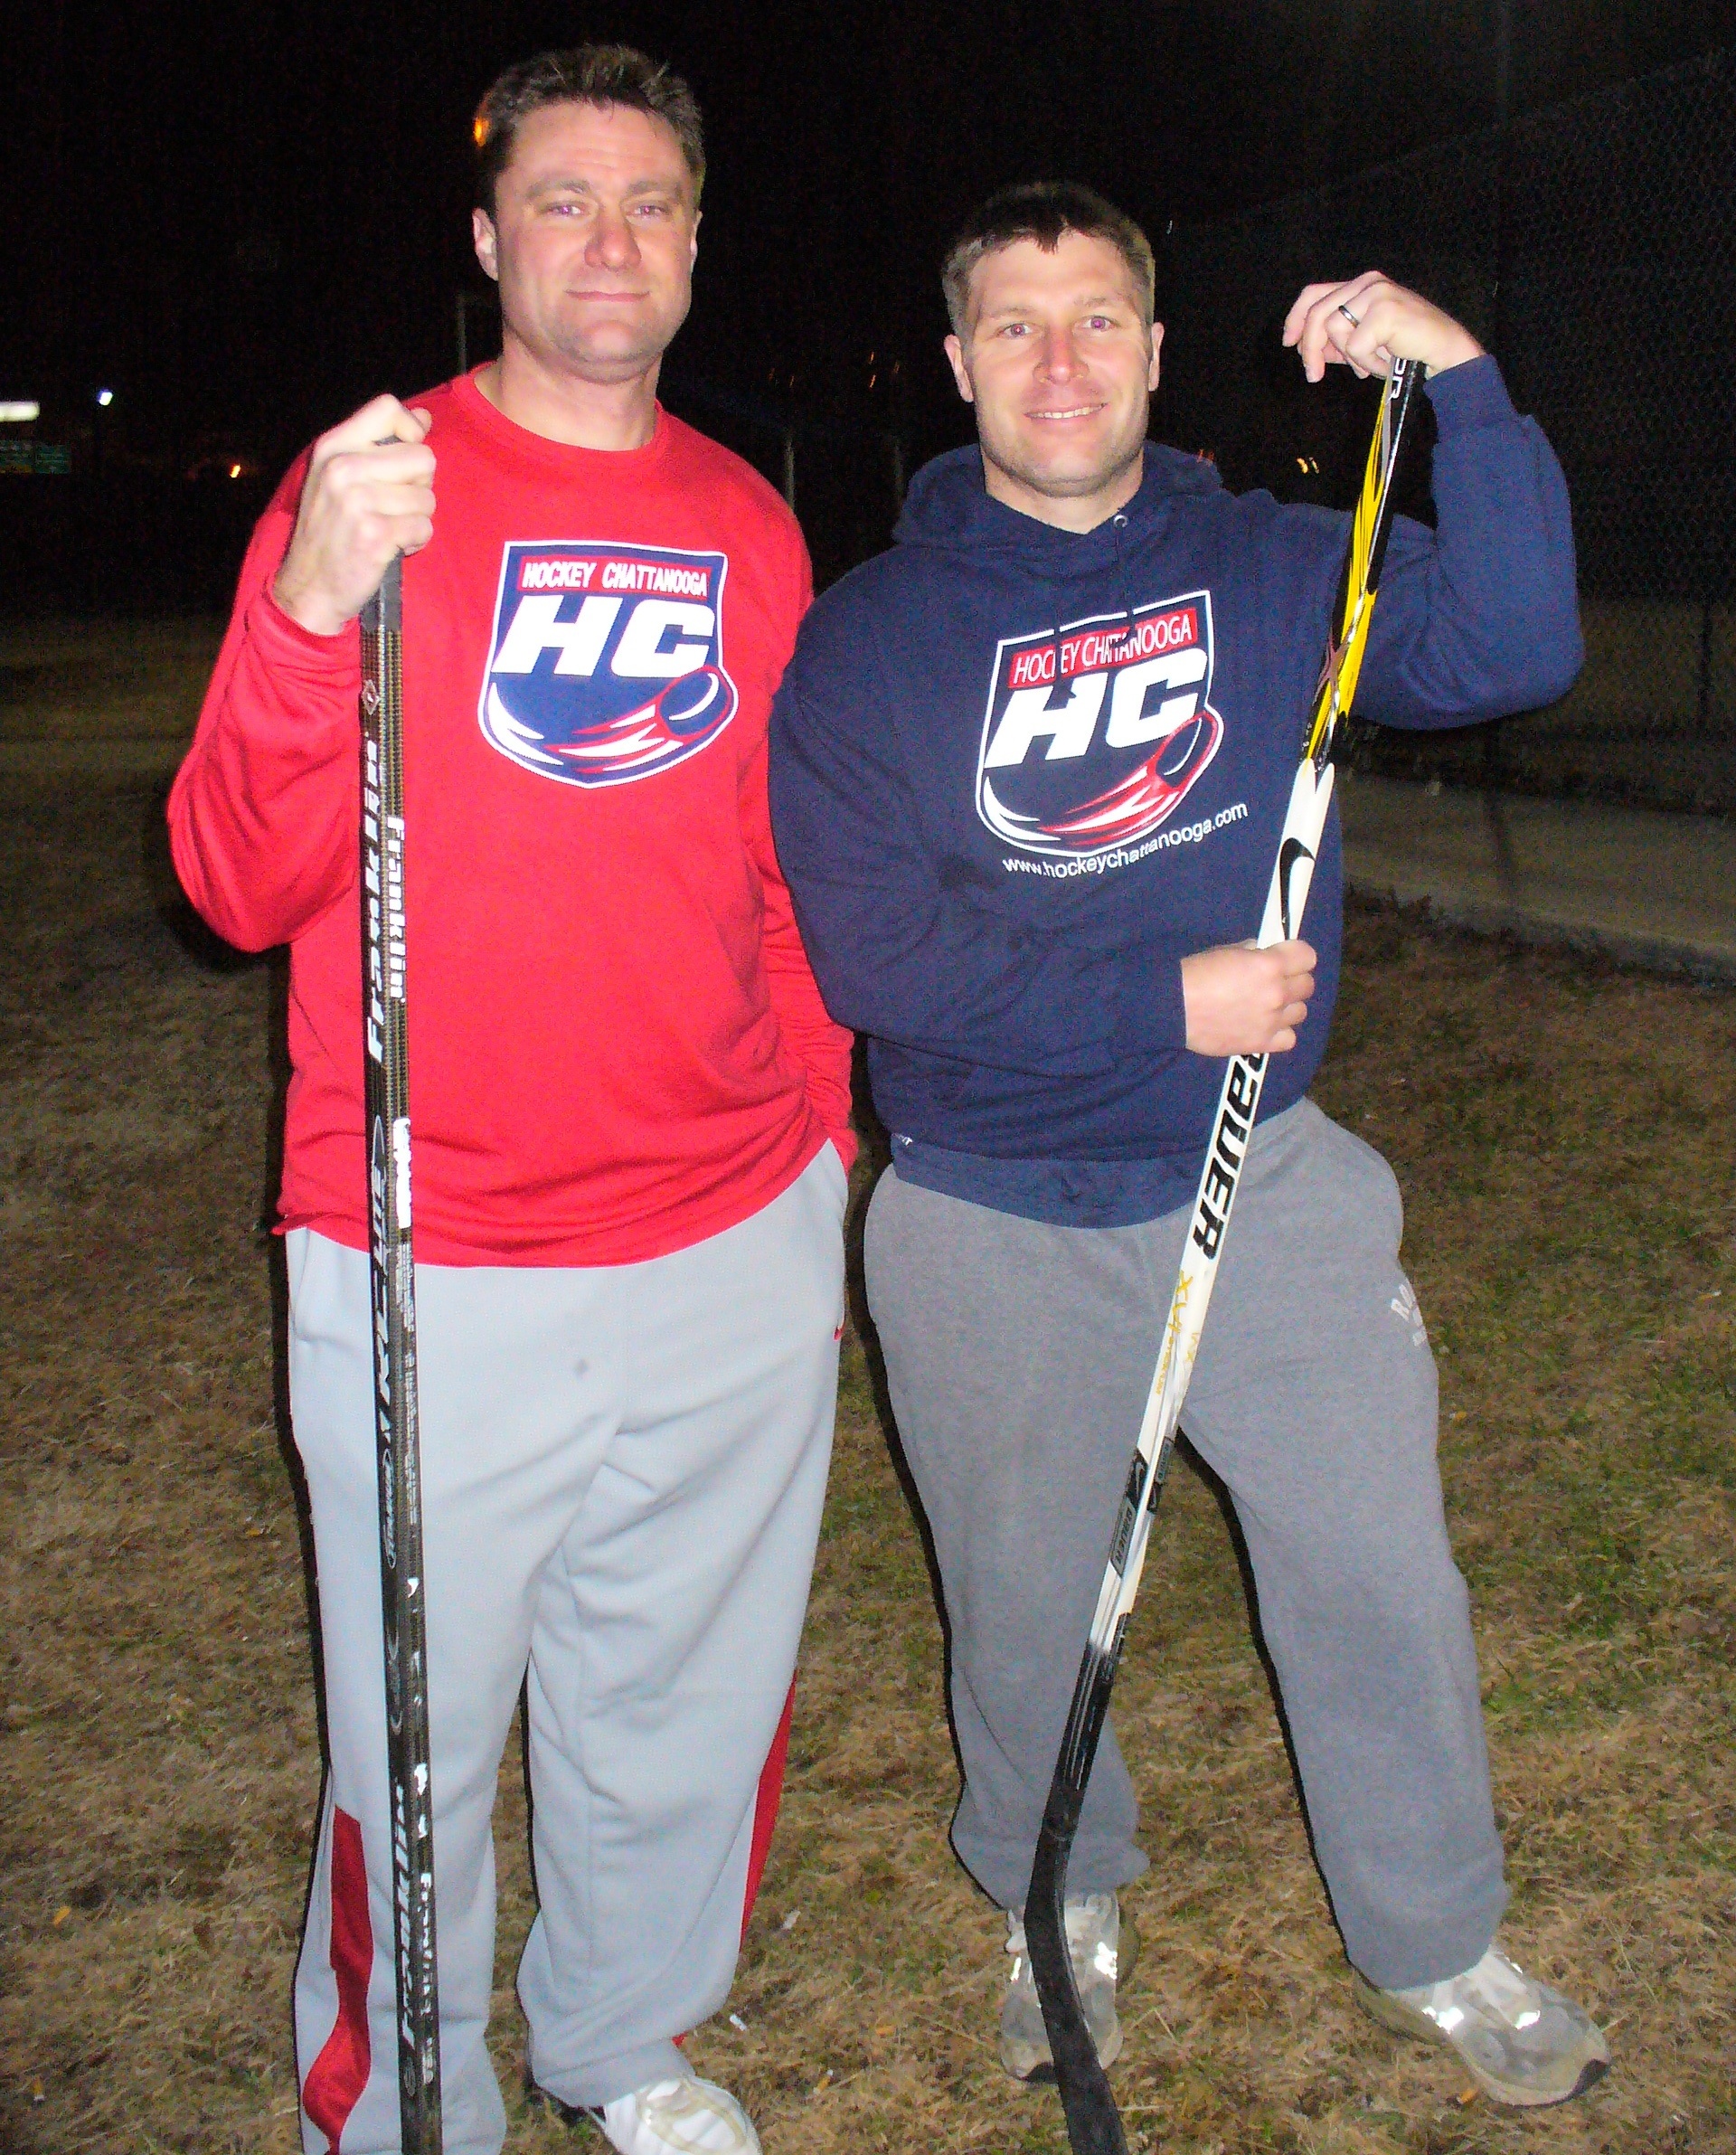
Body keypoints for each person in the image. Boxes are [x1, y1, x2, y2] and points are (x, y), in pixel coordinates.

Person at [769, 182, 1610, 2111]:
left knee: (1378, 1570)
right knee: (1022, 1597)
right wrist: (1166, 1000)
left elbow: (1515, 638)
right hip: (983, 1213)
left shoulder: (1267, 564)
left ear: (1155, 351)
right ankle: (1058, 1901)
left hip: (1267, 1177)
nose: (1057, 363)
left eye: (1096, 323)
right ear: (960, 360)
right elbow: (879, 951)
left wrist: (1461, 376)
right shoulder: (873, 639)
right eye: (1013, 327)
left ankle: (1437, 1932)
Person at [169, 45, 853, 2155]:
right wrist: (306, 606)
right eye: (562, 201)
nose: (610, 242)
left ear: (698, 246)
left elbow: (780, 872)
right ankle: (398, 2113)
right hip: (430, 1251)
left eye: (652, 202)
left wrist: (816, 1144)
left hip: (733, 1226)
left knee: (683, 1694)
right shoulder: (371, 486)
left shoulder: (749, 520)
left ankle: (622, 2039)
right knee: (420, 1744)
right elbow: (231, 872)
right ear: (487, 243)